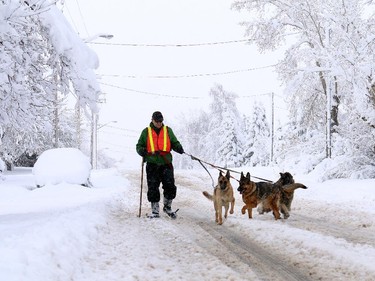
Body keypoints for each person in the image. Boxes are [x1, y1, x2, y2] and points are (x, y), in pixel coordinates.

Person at [136, 111, 184, 219]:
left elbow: (174, 142)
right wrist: (141, 151)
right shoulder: (146, 132)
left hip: (166, 163)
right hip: (152, 164)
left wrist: (179, 147)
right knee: (153, 187)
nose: (159, 123)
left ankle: (167, 207)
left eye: (161, 121)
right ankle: (155, 210)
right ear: (152, 120)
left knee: (170, 186)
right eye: (157, 121)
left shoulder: (167, 130)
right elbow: (139, 146)